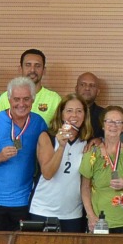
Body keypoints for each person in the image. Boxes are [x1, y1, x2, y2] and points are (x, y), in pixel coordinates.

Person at [0, 77, 48, 231]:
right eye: (16, 99)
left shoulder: (38, 122)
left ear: (33, 99)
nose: (21, 104)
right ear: (9, 99)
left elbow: (49, 152)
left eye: (26, 99)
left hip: (23, 202)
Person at [28, 94, 92, 233]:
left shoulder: (87, 141)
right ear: (61, 114)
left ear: (85, 115)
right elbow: (47, 173)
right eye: (69, 111)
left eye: (79, 111)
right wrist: (62, 147)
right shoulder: (47, 137)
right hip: (43, 209)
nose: (74, 115)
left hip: (73, 213)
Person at [80, 105, 123, 233]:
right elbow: (84, 188)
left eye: (118, 122)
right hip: (101, 221)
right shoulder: (92, 153)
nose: (113, 125)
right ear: (103, 125)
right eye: (109, 121)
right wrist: (91, 216)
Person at [0, 49, 62, 125]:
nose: (32, 70)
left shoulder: (54, 99)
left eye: (37, 66)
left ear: (44, 70)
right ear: (20, 69)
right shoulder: (6, 96)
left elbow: (59, 128)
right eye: (28, 65)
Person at [74, 72, 106, 140]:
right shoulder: (64, 112)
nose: (87, 88)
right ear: (76, 89)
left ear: (98, 92)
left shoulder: (105, 115)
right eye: (83, 85)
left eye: (92, 85)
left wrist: (101, 140)